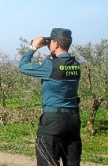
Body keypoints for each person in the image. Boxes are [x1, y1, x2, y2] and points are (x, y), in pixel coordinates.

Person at [18, 28, 81, 166]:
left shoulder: (50, 66)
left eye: (51, 42)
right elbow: (61, 65)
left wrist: (33, 47)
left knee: (47, 162)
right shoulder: (76, 65)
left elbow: (22, 66)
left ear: (56, 44)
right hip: (73, 121)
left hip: (53, 121)